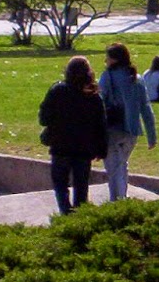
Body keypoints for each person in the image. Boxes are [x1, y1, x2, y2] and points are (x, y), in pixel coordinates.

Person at [38, 56, 107, 215]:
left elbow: (44, 119)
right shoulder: (93, 95)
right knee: (81, 187)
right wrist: (101, 149)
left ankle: (65, 213)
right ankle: (80, 217)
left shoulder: (58, 90)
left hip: (60, 146)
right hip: (84, 148)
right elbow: (101, 125)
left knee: (60, 185)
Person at [99, 42, 156, 202]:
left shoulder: (107, 76)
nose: (106, 61)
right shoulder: (136, 79)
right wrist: (152, 136)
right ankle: (122, 198)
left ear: (114, 60)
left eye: (107, 58)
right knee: (122, 164)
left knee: (113, 168)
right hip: (132, 130)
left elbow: (100, 102)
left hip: (112, 129)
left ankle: (117, 201)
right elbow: (146, 109)